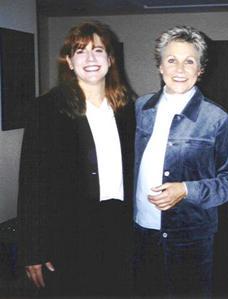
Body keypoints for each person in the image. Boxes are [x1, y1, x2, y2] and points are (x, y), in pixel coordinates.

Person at [17, 21, 135, 296]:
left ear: (110, 59)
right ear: (69, 61)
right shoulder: (46, 109)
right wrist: (32, 248)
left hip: (119, 226)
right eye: (80, 51)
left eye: (98, 50)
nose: (91, 58)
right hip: (69, 232)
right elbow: (31, 182)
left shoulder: (128, 108)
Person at [133, 25, 228, 297]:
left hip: (190, 238)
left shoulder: (218, 118)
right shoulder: (140, 108)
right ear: (160, 66)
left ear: (200, 70)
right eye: (171, 60)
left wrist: (186, 190)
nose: (179, 68)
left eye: (189, 61)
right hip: (142, 231)